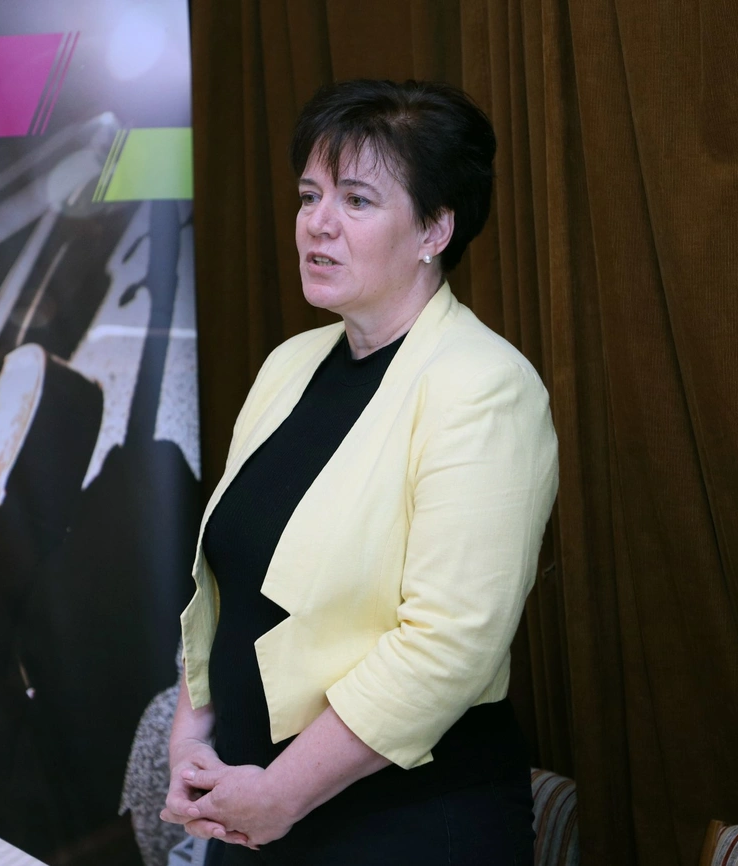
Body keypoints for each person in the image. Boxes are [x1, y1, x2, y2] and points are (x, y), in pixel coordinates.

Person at [160, 79, 559, 865]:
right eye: (310, 196)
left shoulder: (484, 385)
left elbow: (448, 645)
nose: (318, 223)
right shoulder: (290, 365)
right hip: (252, 807)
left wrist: (282, 793)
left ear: (435, 228)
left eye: (357, 200)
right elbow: (229, 592)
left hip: (408, 823)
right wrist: (191, 739)